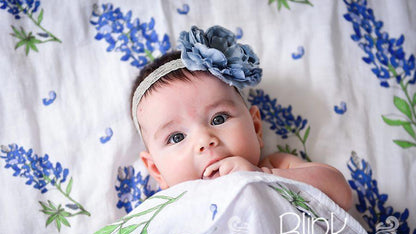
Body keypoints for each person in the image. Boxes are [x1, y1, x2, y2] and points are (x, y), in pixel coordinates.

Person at [131, 25, 352, 211]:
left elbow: (340, 194)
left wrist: (264, 175)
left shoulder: (275, 166)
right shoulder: (168, 208)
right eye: (177, 137)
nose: (204, 141)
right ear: (157, 170)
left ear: (256, 128)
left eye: (218, 119)